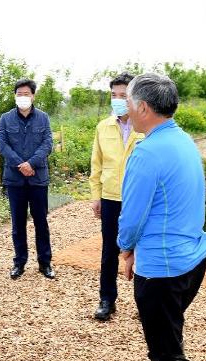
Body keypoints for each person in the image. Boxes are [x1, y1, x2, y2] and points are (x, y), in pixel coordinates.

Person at [118, 73, 206, 361]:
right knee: (171, 331)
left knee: (164, 346)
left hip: (162, 268)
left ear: (143, 107)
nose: (125, 109)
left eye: (128, 102)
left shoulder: (146, 152)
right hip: (192, 258)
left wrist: (125, 248)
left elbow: (132, 216)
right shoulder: (183, 141)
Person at [89, 72, 144, 321]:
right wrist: (96, 196)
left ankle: (144, 302)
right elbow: (96, 165)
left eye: (123, 95)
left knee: (142, 249)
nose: (118, 100)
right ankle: (107, 300)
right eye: (114, 95)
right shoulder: (103, 127)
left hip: (138, 197)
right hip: (111, 197)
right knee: (109, 250)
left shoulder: (144, 128)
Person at [0, 79, 54, 280]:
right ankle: (19, 262)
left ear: (33, 96)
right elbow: (3, 145)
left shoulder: (43, 118)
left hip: (38, 179)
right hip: (15, 180)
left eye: (26, 94)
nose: (22, 97)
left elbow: (47, 144)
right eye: (19, 94)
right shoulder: (6, 119)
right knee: (18, 224)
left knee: (41, 222)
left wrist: (31, 163)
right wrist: (20, 164)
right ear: (15, 96)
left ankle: (45, 263)